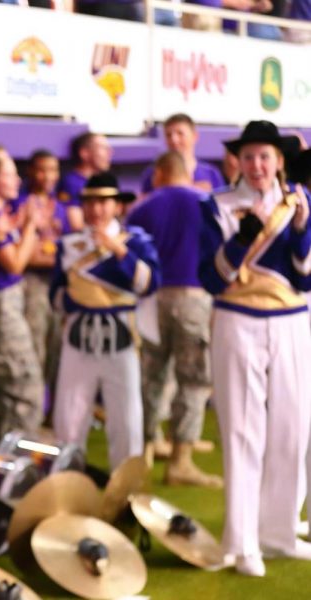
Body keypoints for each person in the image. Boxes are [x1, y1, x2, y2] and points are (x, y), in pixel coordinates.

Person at [198, 120, 311, 577]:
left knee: (293, 428)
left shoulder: (299, 203)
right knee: (244, 432)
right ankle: (242, 542)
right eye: (249, 157)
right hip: (238, 321)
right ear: (237, 162)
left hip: (292, 323)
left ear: (279, 161)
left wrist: (302, 228)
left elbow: (305, 277)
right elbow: (211, 277)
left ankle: (280, 531)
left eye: (265, 156)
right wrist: (246, 234)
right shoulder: (219, 205)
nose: (258, 165)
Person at [51, 172, 159, 469]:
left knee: (127, 420)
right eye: (90, 202)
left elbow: (149, 284)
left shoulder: (135, 241)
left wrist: (118, 252)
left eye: (103, 202)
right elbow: (57, 295)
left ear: (116, 206)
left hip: (121, 336)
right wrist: (77, 299)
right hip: (77, 336)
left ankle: (125, 493)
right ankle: (67, 486)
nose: (97, 209)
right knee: (69, 417)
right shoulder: (69, 244)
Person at [126, 152, 221, 488]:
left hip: (151, 300)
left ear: (162, 172)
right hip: (195, 297)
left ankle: (147, 453)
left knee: (152, 376)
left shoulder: (143, 207)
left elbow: (130, 253)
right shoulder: (209, 203)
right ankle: (181, 460)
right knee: (193, 380)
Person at [0, 154, 43, 442]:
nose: (17, 181)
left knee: (7, 387)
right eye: (9, 175)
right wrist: (30, 226)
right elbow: (16, 263)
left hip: (8, 299)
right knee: (22, 383)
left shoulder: (2, 212)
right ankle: (19, 456)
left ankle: (5, 458)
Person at [19, 149, 71, 400]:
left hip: (58, 284)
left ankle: (53, 414)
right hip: (32, 284)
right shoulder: (21, 203)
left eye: (53, 170)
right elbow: (27, 256)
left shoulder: (60, 207)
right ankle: (35, 409)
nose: (48, 176)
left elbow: (71, 249)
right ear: (30, 172)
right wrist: (54, 258)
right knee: (35, 345)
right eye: (42, 169)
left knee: (58, 347)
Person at [140, 114, 225, 195]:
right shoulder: (154, 173)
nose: (174, 140)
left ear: (195, 136)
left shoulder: (211, 174)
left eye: (180, 133)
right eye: (168, 135)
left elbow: (222, 207)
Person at [58, 132, 113, 230]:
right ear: (84, 153)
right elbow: (76, 226)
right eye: (103, 148)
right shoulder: (72, 183)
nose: (109, 153)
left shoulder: (106, 182)